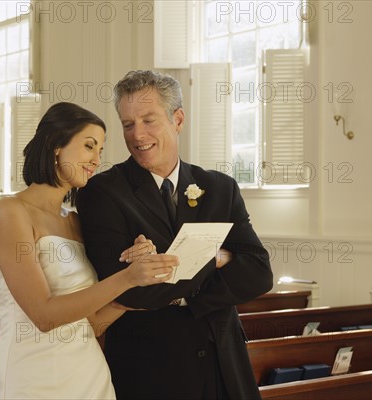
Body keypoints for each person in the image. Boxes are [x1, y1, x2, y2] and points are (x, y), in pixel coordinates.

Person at [76, 71, 273, 400]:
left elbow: (259, 273)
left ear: (177, 119)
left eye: (149, 120)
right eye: (128, 124)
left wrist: (167, 275)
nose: (138, 135)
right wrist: (216, 258)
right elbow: (127, 293)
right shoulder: (102, 192)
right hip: (151, 369)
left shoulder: (221, 188)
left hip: (224, 363)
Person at [0, 102, 179, 399]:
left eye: (100, 150)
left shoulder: (76, 221)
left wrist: (138, 282)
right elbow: (44, 316)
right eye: (89, 146)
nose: (96, 159)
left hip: (89, 376)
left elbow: (93, 323)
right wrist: (127, 278)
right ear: (55, 145)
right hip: (31, 378)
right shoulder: (10, 212)